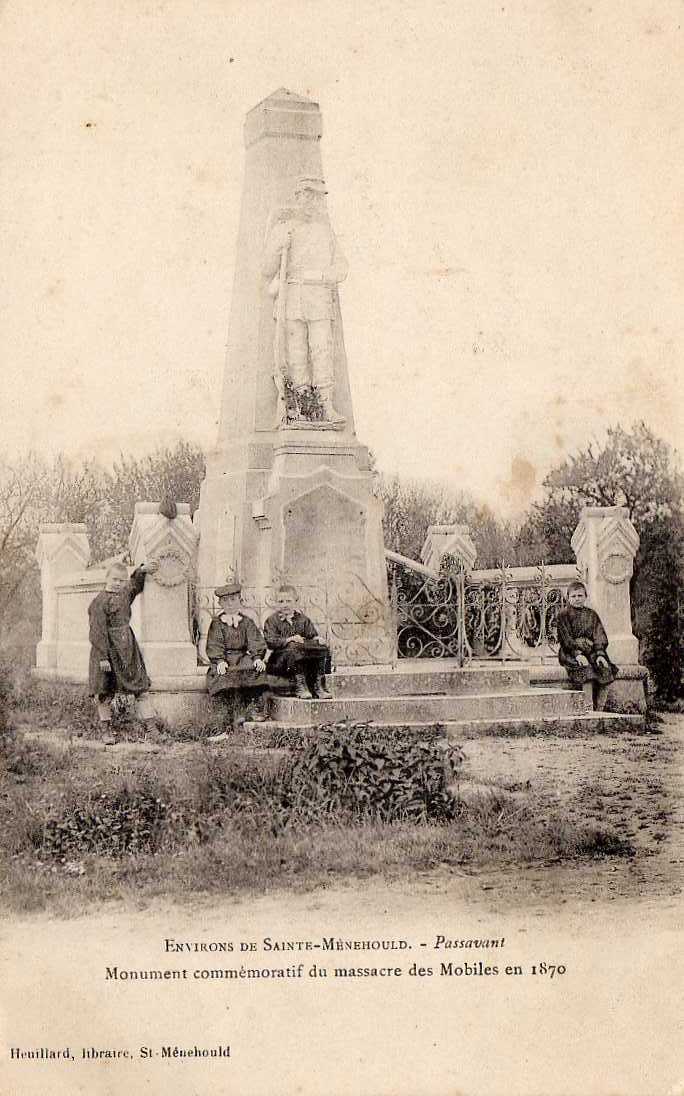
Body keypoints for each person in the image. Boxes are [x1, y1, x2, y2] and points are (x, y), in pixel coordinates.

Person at [262, 175, 348, 426]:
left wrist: (321, 276)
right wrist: (279, 246)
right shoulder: (283, 228)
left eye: (317, 197)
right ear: (299, 198)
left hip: (319, 299)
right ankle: (301, 406)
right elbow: (266, 268)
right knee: (296, 354)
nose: (313, 202)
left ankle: (326, 405)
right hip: (291, 299)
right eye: (308, 196)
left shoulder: (325, 232)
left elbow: (342, 266)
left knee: (322, 351)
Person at [88, 559, 160, 743]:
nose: (118, 583)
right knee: (104, 691)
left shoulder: (125, 594)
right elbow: (97, 631)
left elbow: (135, 584)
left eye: (121, 580)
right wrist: (103, 657)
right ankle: (106, 731)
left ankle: (152, 730)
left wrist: (142, 570)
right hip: (107, 650)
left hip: (127, 648)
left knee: (140, 687)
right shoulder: (99, 602)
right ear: (107, 578)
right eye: (114, 579)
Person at [205, 582, 287, 725]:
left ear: (240, 601)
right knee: (223, 675)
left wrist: (257, 657)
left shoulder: (247, 622)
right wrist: (219, 660)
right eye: (225, 601)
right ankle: (230, 712)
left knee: (255, 669)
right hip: (225, 658)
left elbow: (255, 640)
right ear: (220, 603)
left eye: (233, 600)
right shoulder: (217, 623)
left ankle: (254, 708)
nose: (230, 604)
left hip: (242, 657)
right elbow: (214, 643)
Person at [556, 580, 619, 710]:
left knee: (605, 670)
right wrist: (577, 654)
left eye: (580, 596)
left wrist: (600, 654)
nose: (577, 599)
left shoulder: (592, 614)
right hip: (570, 652)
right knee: (587, 672)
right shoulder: (563, 615)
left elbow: (599, 635)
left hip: (591, 651)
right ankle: (589, 708)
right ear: (568, 598)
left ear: (585, 596)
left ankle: (600, 708)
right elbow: (565, 638)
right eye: (573, 596)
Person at [263, 584, 332, 700]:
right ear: (276, 603)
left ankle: (319, 685)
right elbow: (271, 641)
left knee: (320, 646)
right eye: (281, 601)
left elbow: (311, 635)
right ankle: (299, 686)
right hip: (280, 660)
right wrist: (289, 639)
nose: (285, 604)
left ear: (296, 601)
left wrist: (317, 639)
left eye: (288, 601)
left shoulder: (303, 619)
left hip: (301, 659)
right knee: (293, 646)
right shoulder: (272, 621)